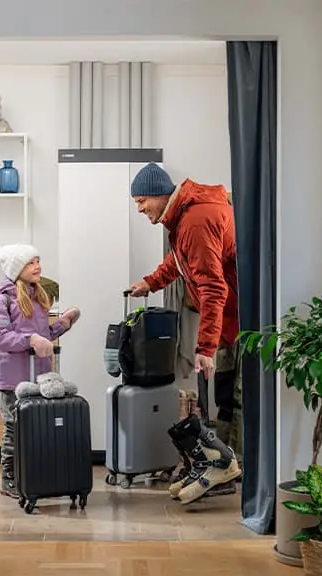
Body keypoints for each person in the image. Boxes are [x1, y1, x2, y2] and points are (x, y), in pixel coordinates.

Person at [127, 163, 242, 502]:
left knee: (232, 397)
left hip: (239, 320)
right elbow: (179, 263)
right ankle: (218, 467)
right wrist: (151, 282)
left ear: (162, 194)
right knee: (222, 393)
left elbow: (212, 288)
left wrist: (204, 346)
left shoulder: (195, 220)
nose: (140, 208)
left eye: (142, 200)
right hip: (228, 320)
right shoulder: (182, 217)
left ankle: (224, 469)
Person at [0, 244, 81, 499]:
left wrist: (63, 324)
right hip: (13, 379)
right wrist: (30, 340)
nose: (38, 266)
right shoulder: (4, 298)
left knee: (37, 428)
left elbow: (44, 337)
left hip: (39, 376)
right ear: (17, 269)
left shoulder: (38, 296)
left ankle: (34, 476)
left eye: (38, 260)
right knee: (14, 428)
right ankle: (9, 479)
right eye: (31, 263)